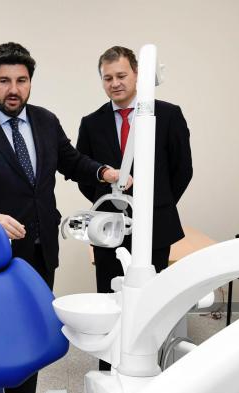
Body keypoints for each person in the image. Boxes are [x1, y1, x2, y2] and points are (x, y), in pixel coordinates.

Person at [0, 42, 125, 393]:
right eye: (4, 80)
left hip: (40, 254)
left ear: (30, 83)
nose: (13, 89)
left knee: (28, 340)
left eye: (21, 80)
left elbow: (70, 161)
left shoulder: (44, 121)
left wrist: (103, 172)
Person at [76, 46, 193, 370]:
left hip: (155, 227)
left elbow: (182, 170)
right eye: (107, 77)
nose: (115, 83)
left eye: (121, 75)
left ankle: (150, 368)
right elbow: (85, 174)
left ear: (138, 74)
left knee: (150, 304)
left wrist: (153, 205)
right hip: (109, 227)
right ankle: (109, 367)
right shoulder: (91, 123)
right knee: (110, 303)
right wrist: (112, 202)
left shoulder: (168, 115)